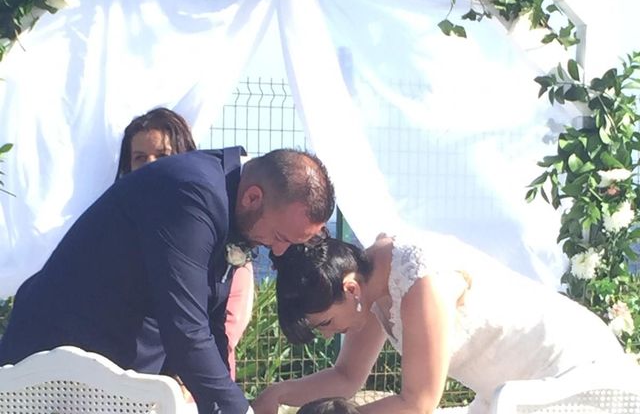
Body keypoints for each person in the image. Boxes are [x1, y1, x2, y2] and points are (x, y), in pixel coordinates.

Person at [0, 146, 335, 414]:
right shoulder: (192, 194)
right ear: (253, 198)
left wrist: (227, 401)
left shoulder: (230, 199)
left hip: (108, 375)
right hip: (56, 364)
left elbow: (210, 324)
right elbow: (186, 331)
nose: (278, 250)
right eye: (279, 236)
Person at [253, 232, 631, 414]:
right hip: (506, 389)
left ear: (349, 288)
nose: (329, 333)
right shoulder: (368, 287)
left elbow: (418, 403)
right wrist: (275, 396)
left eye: (326, 323)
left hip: (563, 371)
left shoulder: (421, 281)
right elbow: (347, 377)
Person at [115, 107, 254, 381]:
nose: (151, 165)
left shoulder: (220, 238)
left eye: (163, 156)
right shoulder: (117, 232)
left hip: (192, 382)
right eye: (140, 158)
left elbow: (226, 323)